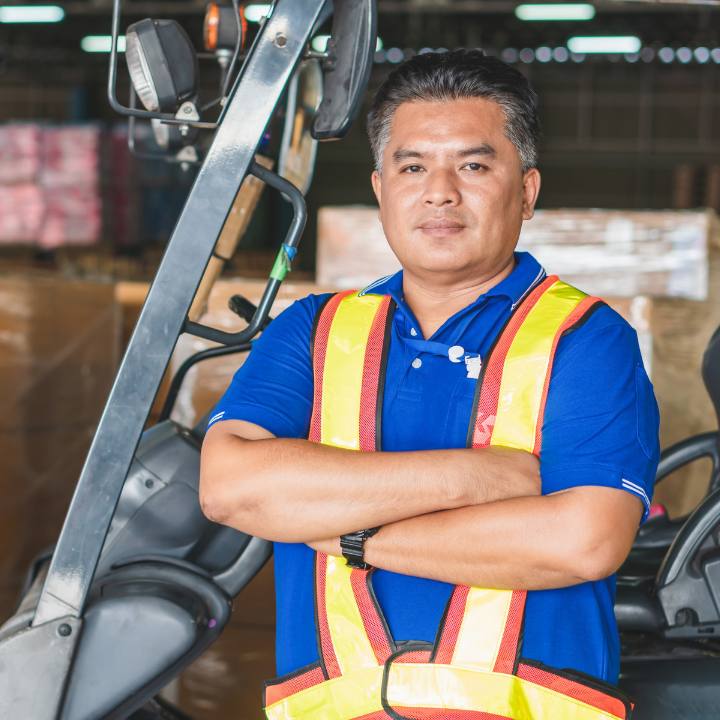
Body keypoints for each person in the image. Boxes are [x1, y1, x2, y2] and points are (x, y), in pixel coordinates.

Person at [200, 49, 660, 719]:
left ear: (526, 191)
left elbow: (581, 541)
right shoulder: (314, 331)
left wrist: (355, 536)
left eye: (473, 166)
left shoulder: (583, 339)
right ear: (382, 189)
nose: (439, 191)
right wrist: (479, 478)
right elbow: (230, 487)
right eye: (412, 167)